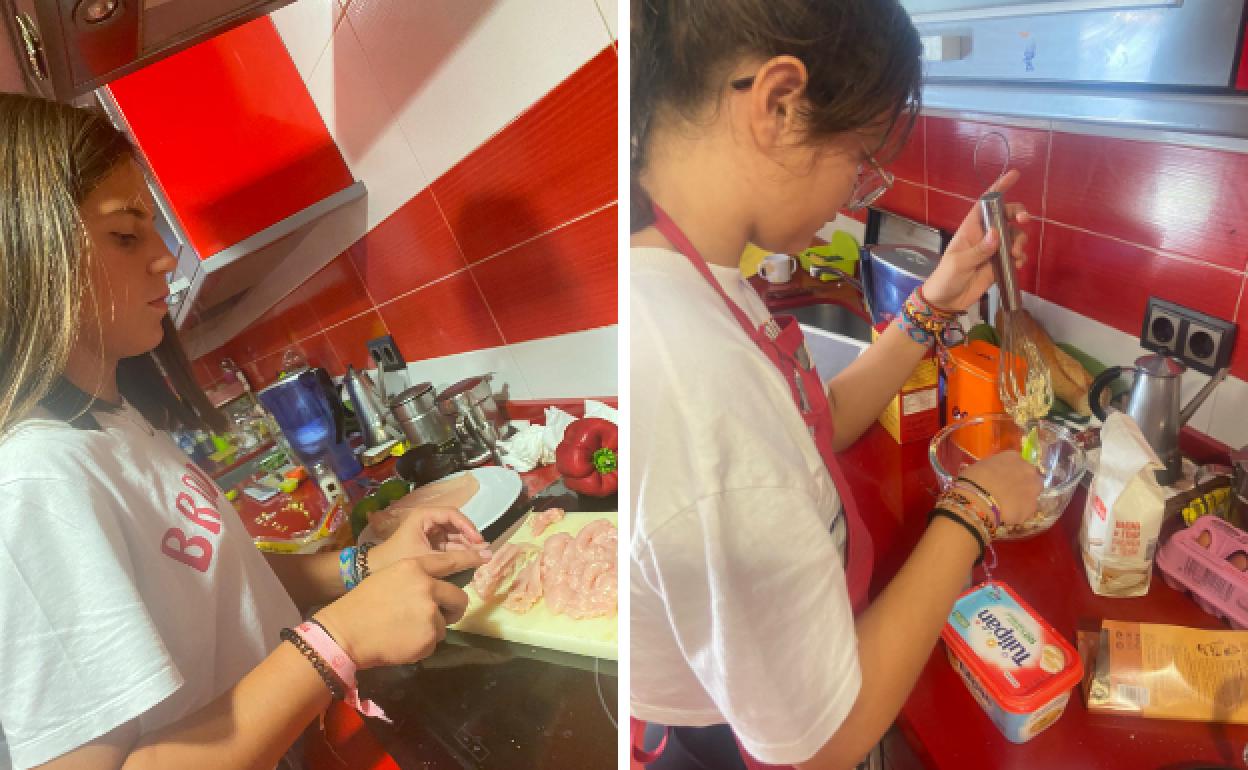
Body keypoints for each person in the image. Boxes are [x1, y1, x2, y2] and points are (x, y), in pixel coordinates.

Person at [0, 93, 490, 770]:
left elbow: (219, 598)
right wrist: (338, 638)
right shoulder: (31, 482)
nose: (166, 259)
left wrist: (359, 567)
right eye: (125, 233)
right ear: (26, 253)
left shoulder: (112, 424)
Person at [629, 2, 1044, 769]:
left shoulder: (684, 275)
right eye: (859, 157)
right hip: (725, 744)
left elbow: (814, 419)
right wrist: (974, 507)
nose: (857, 192)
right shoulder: (694, 385)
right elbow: (824, 743)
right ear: (779, 106)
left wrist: (935, 300)